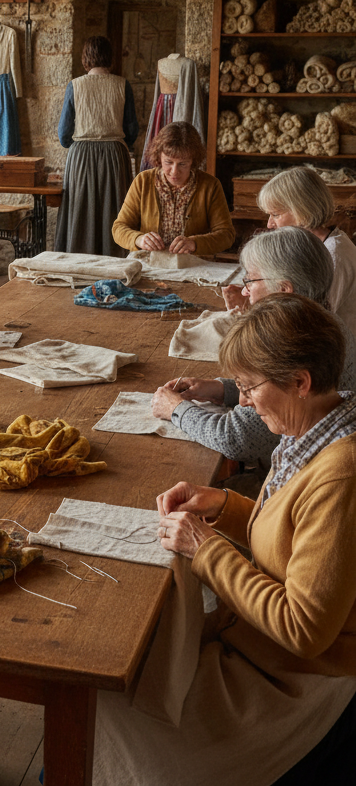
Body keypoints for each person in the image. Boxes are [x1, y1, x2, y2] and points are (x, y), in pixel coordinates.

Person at [94, 294, 356, 786]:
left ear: (300, 382)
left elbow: (304, 629)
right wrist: (226, 507)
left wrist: (206, 550)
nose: (244, 400)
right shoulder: (315, 431)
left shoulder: (342, 473)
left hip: (301, 682)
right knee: (129, 673)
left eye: (250, 386)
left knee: (110, 704)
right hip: (263, 652)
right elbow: (300, 540)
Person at [152, 226, 356, 480]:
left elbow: (238, 438)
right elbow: (277, 387)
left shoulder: (287, 339)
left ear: (284, 289)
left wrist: (176, 409)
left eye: (251, 280)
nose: (245, 290)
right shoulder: (324, 320)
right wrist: (222, 388)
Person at [54, 35, 139, 257]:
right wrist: (116, 142)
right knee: (116, 210)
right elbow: (132, 131)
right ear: (110, 58)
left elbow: (64, 135)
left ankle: (79, 259)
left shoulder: (75, 86)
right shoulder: (123, 85)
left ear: (85, 59)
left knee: (81, 210)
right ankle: (116, 259)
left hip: (81, 155)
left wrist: (82, 144)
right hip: (115, 154)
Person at [257, 165, 356, 334]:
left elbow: (315, 321)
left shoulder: (334, 254)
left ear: (302, 210)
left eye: (276, 214)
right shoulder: (309, 245)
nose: (269, 224)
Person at [111, 121, 234, 256]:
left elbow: (226, 235)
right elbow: (119, 228)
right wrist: (139, 239)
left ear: (193, 160)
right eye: (168, 162)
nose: (174, 172)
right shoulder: (143, 181)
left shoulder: (210, 186)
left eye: (182, 164)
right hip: (149, 263)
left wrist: (194, 243)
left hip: (194, 266)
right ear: (159, 156)